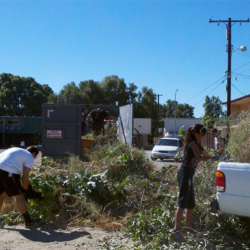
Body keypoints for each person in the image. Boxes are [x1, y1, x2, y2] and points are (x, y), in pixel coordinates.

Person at [173, 124, 211, 241]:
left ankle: (188, 229)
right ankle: (176, 231)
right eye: (202, 135)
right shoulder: (193, 144)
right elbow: (200, 158)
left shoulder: (197, 145)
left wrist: (213, 156)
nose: (203, 137)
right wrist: (211, 158)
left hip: (189, 175)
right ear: (196, 134)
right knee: (182, 202)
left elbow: (207, 155)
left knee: (190, 204)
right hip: (185, 174)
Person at [0, 146, 40, 228]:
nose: (34, 159)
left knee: (1, 195)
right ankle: (28, 221)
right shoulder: (29, 156)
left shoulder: (17, 151)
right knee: (19, 195)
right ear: (34, 153)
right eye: (35, 157)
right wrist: (26, 190)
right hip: (9, 171)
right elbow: (25, 176)